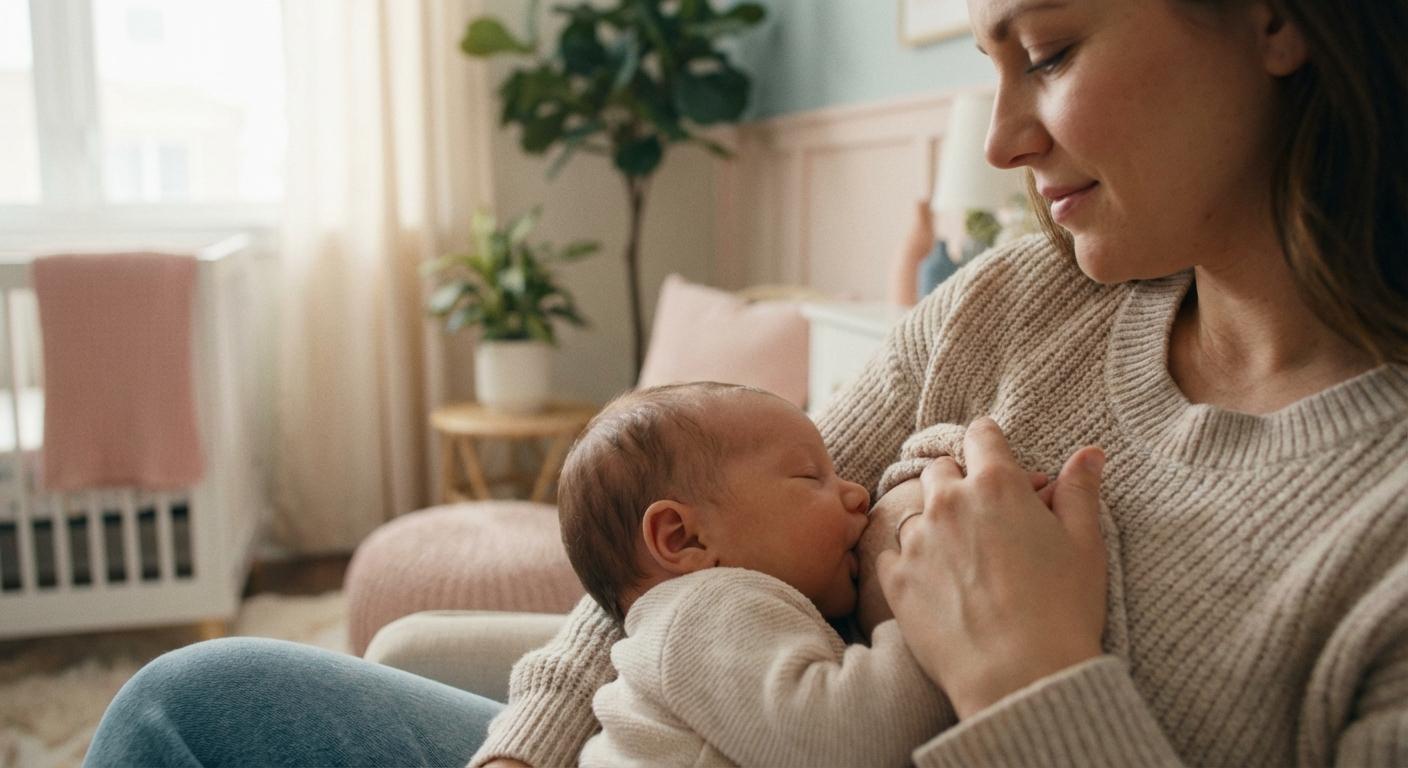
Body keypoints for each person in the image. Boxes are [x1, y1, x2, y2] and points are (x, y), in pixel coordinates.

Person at [86, 0, 1406, 765]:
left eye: (1049, 51)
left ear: (1279, 17)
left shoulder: (1377, 535)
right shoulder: (1032, 290)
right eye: (989, 62)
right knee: (200, 699)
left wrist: (1026, 679)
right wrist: (528, 751)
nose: (1004, 137)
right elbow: (695, 556)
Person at [558, 382, 951, 767]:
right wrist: (932, 621)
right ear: (684, 538)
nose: (859, 494)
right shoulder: (705, 611)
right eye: (810, 477)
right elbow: (849, 739)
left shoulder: (710, 619)